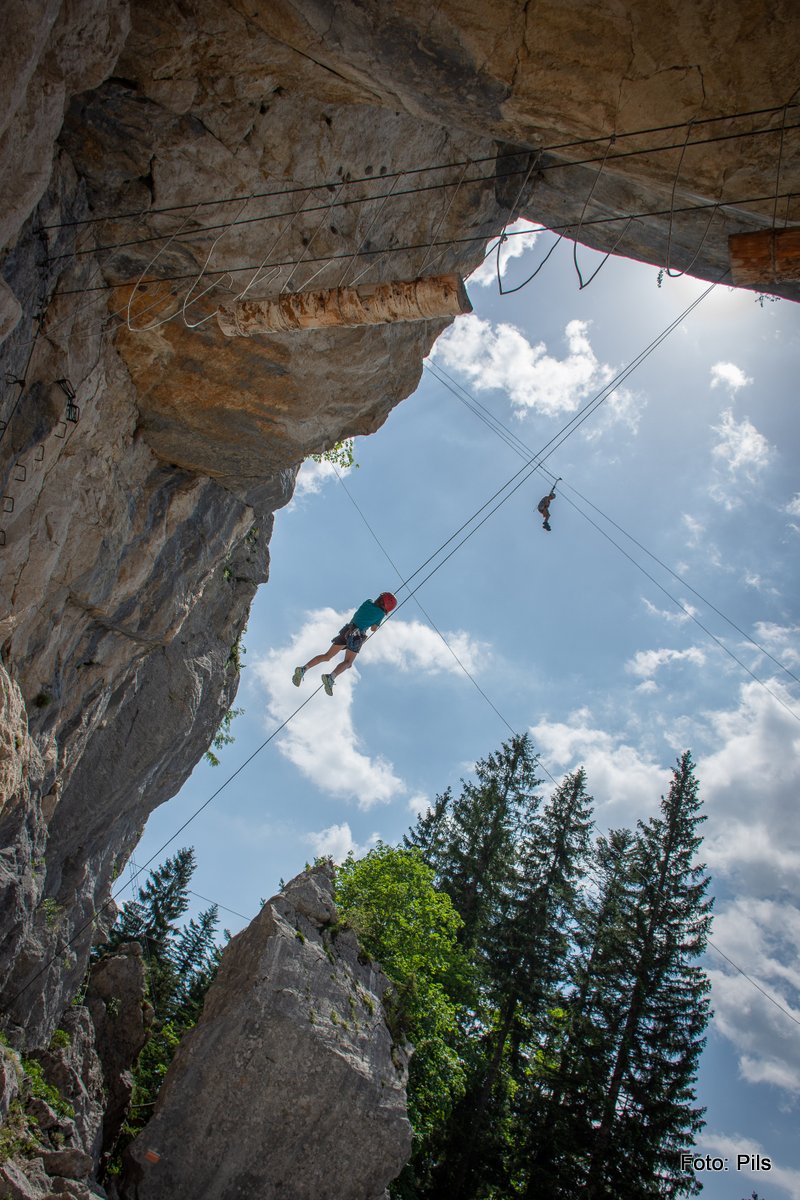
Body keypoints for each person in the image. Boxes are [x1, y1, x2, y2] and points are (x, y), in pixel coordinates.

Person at [292, 592, 398, 695]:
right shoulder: (380, 614)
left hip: (347, 629)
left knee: (327, 656)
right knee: (348, 662)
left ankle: (303, 669)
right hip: (357, 635)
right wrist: (379, 620)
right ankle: (331, 677)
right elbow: (373, 629)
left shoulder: (368, 602)